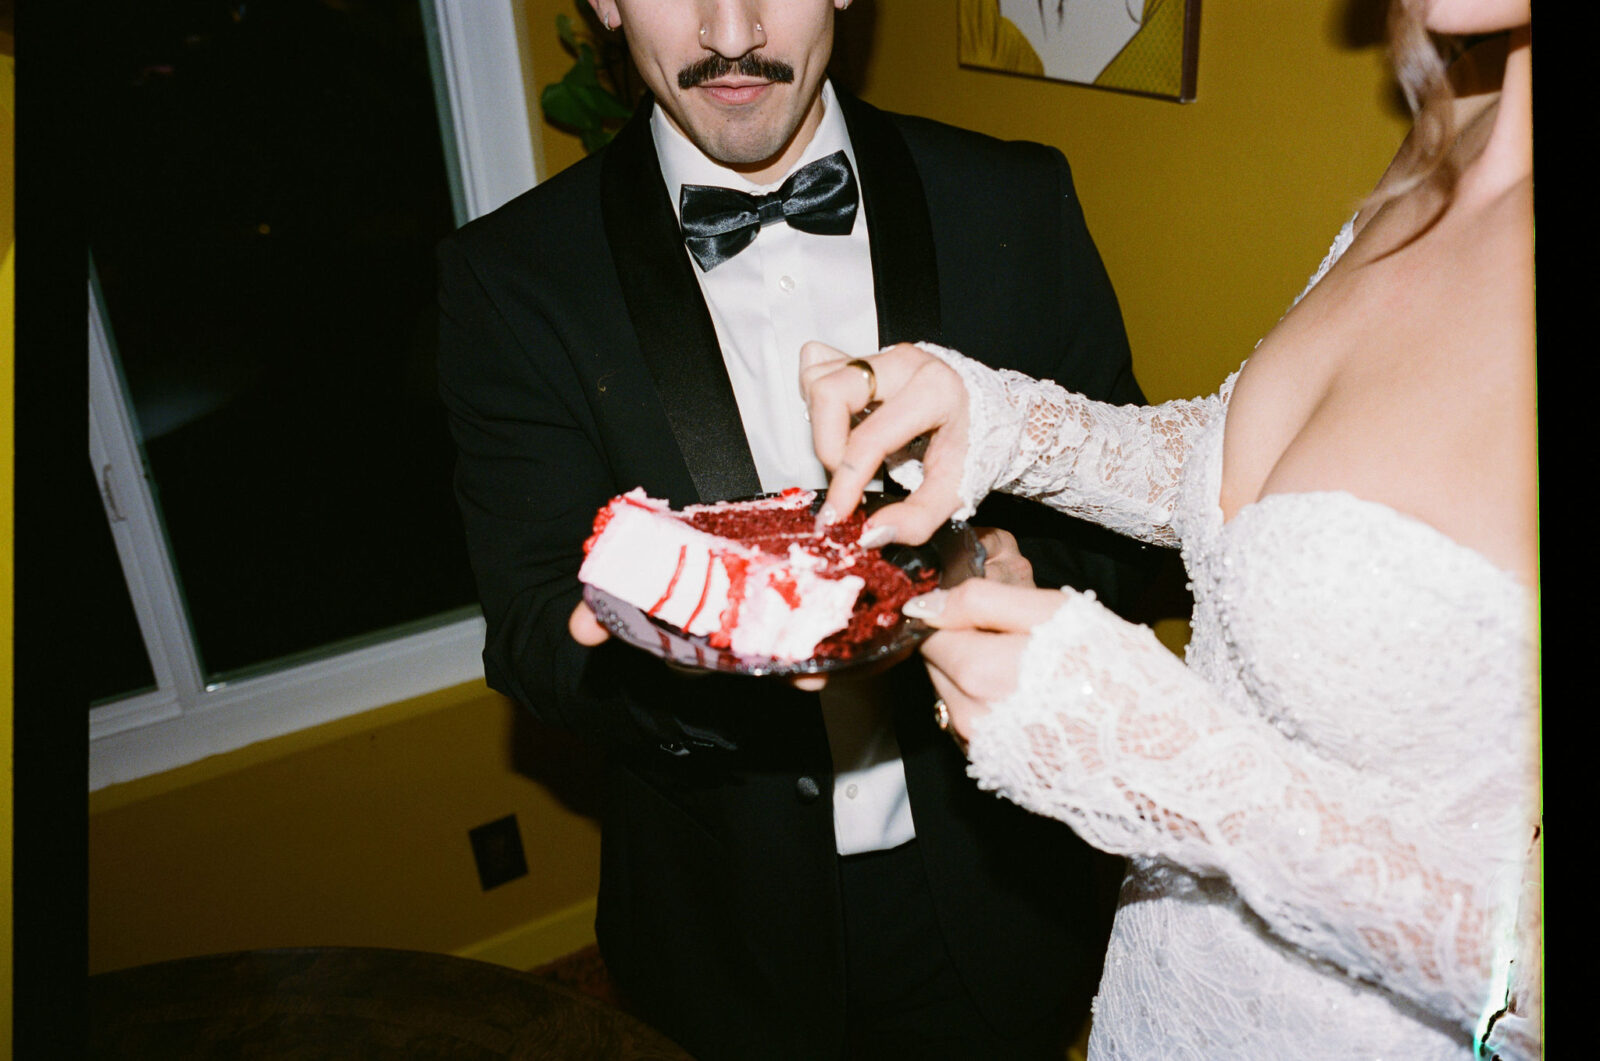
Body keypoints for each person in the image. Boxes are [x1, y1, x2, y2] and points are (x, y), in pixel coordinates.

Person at [798, 1, 1540, 1057]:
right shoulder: (1448, 135)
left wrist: (1173, 769)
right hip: (1160, 1003)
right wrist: (1002, 419)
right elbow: (1259, 481)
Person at [437, 1, 1159, 1057]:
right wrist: (668, 651)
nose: (730, 31)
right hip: (722, 923)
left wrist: (1016, 564)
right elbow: (531, 632)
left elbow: (1132, 519)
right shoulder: (509, 277)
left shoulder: (1014, 196)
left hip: (997, 884)